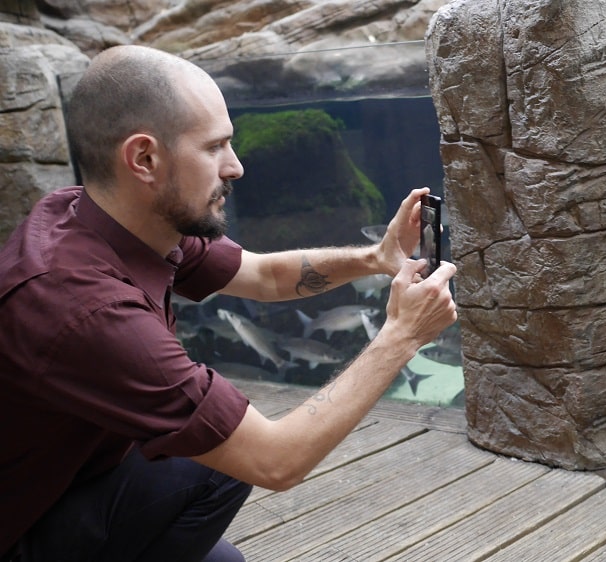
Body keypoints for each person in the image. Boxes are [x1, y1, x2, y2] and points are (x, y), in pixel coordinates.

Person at [0, 45, 457, 561]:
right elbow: (276, 460)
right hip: (22, 525)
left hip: (77, 477)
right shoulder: (83, 308)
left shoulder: (104, 216)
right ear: (144, 159)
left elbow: (262, 276)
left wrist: (376, 257)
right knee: (219, 460)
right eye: (215, 147)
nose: (235, 167)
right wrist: (401, 337)